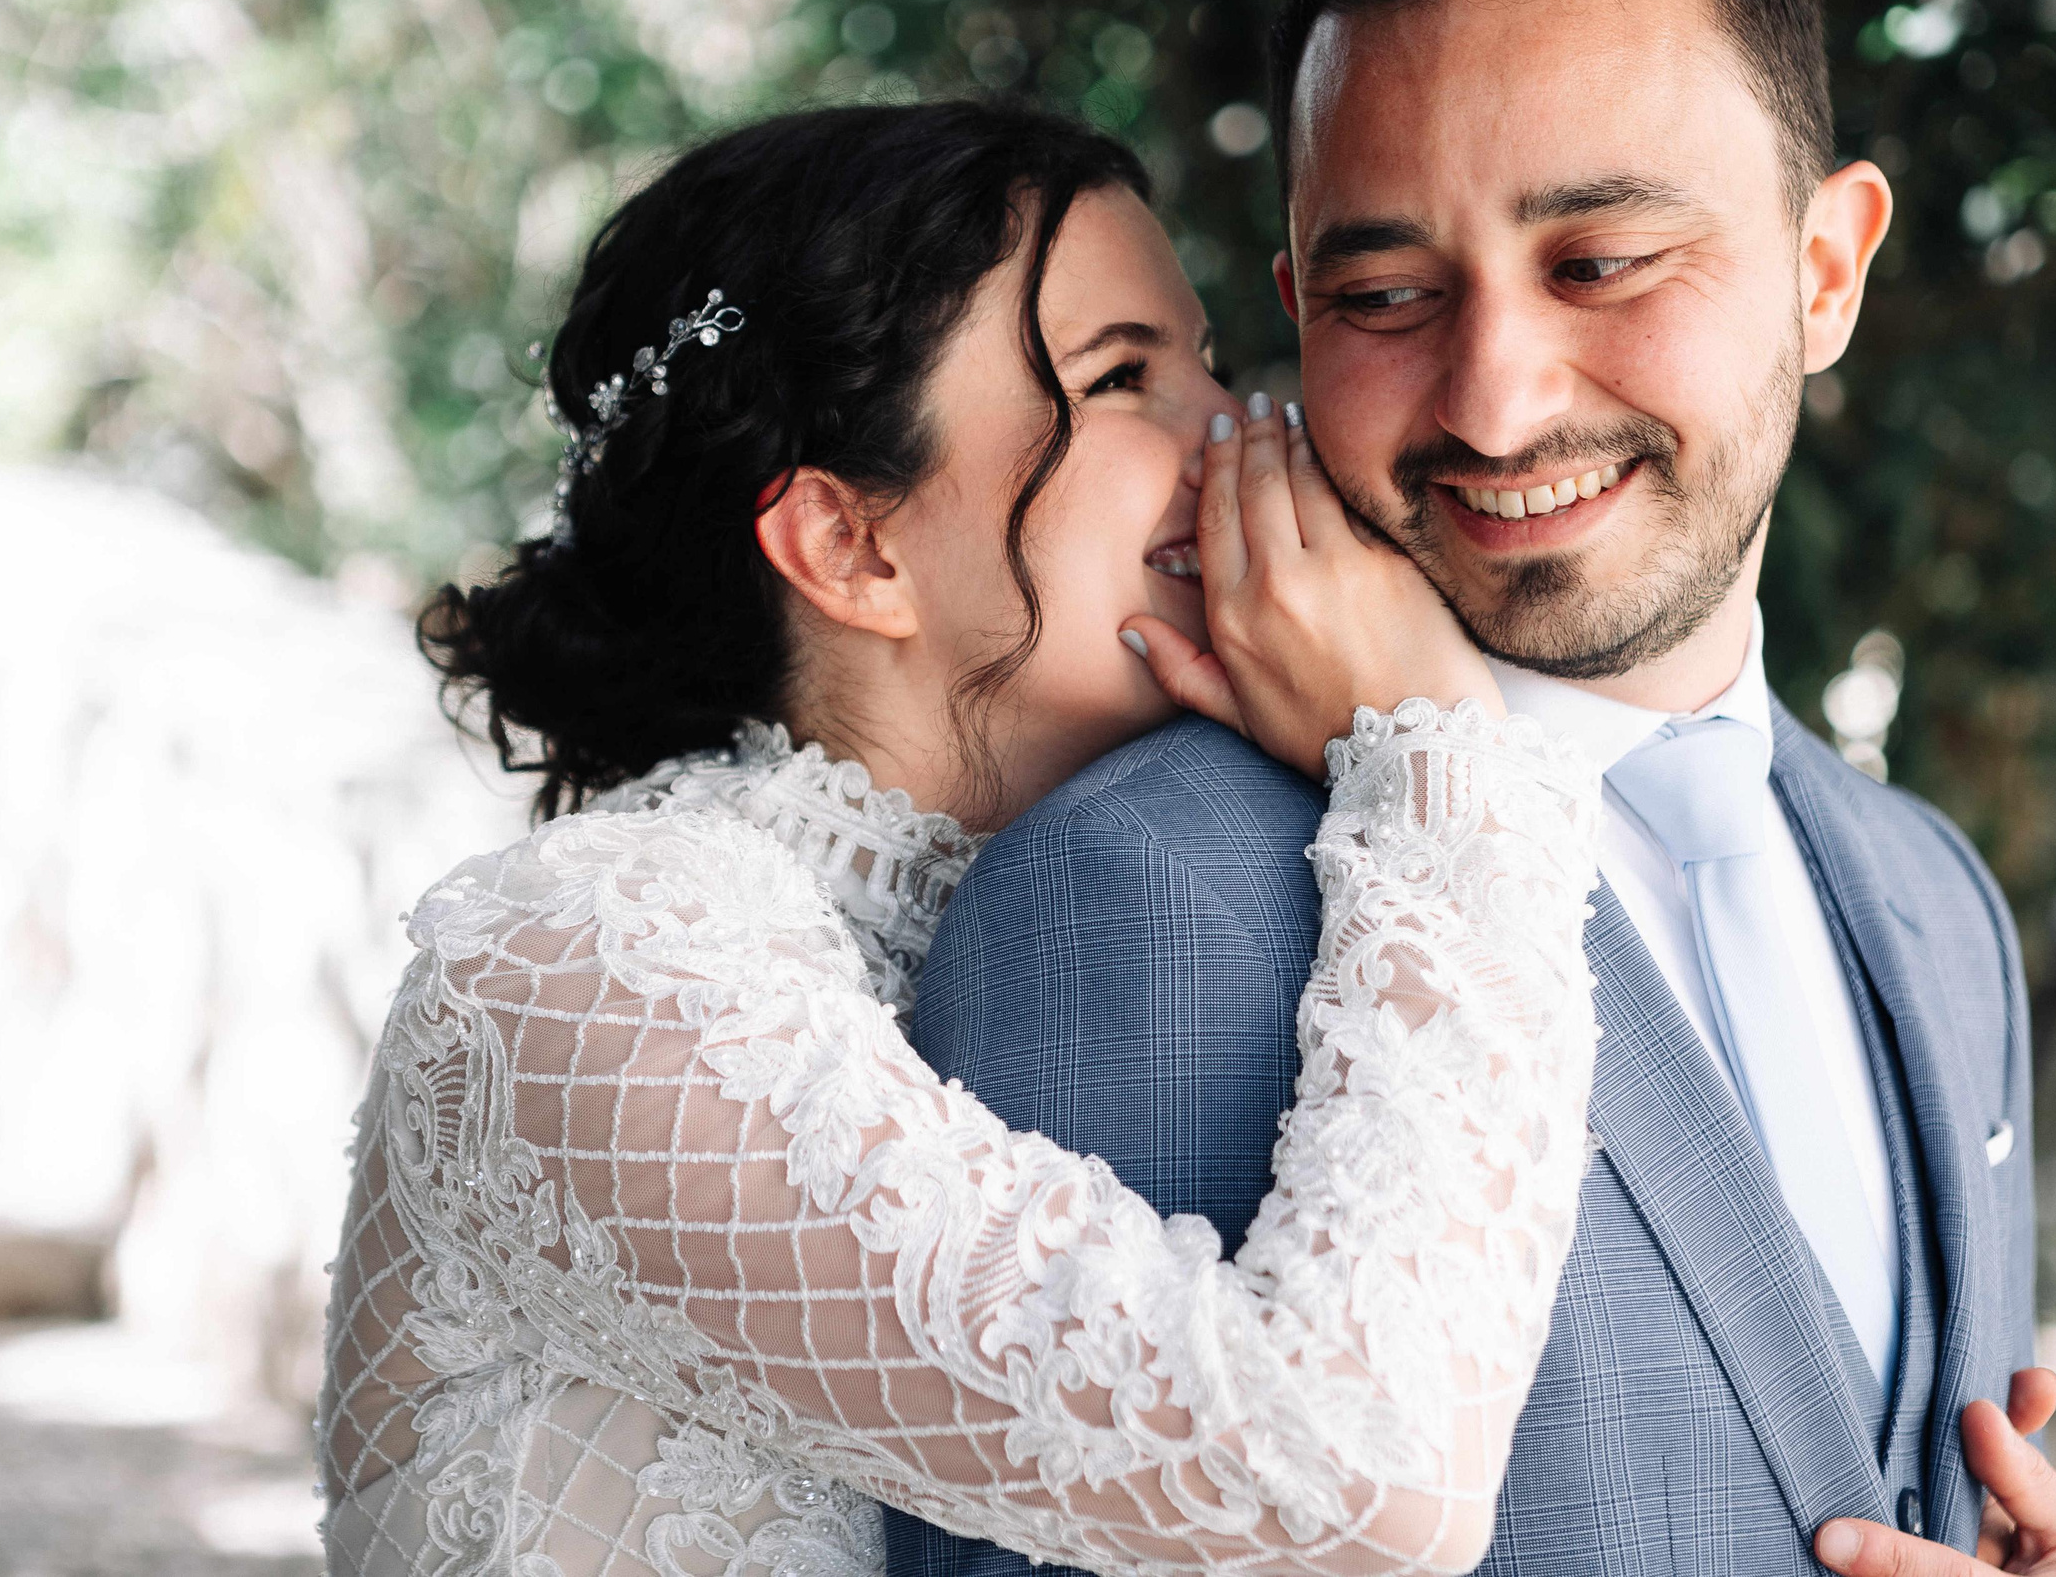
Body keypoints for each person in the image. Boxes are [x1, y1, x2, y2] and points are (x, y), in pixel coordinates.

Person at [890, 0, 2056, 1575]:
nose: (1495, 398)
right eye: (1387, 296)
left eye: (1600, 261)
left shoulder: (1936, 902)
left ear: (1825, 269)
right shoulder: (1138, 902)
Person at [316, 96, 1612, 1577]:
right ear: (850, 548)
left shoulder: (1205, 877)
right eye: (1123, 378)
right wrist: (1443, 755)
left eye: (1210, 360)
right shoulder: (578, 971)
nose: (1247, 434)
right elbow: (1353, 1477)